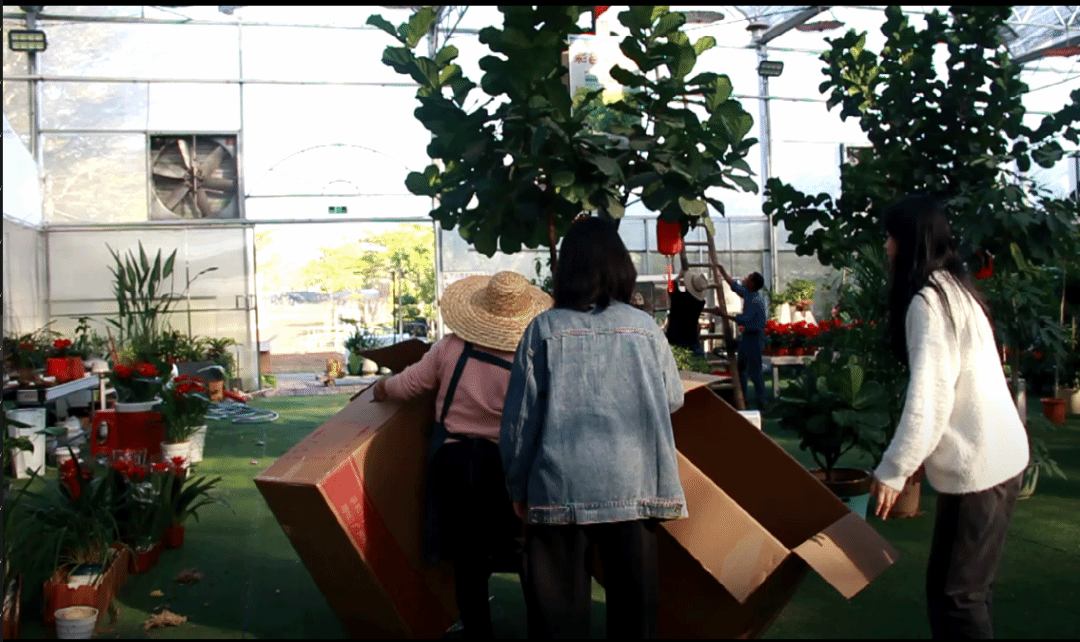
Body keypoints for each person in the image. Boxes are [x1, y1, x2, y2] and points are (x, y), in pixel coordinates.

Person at [500, 216, 688, 639]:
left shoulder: (543, 330)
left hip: (558, 489)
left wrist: (517, 485)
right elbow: (672, 399)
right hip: (635, 485)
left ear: (566, 268)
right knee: (635, 618)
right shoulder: (645, 330)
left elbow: (520, 422)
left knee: (558, 623)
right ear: (621, 265)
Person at [870, 194, 1029, 639]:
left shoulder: (929, 302)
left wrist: (894, 469)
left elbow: (931, 396)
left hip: (982, 468)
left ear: (910, 241)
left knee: (956, 598)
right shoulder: (955, 291)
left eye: (890, 237)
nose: (886, 246)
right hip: (998, 460)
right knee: (968, 592)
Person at [372, 270, 551, 639]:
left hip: (455, 461)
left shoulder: (450, 348)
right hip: (508, 464)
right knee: (523, 549)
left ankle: (477, 630)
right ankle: (542, 628)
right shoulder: (531, 356)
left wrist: (381, 387)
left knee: (468, 559)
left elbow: (408, 385)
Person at [716, 267, 768, 410]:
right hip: (748, 335)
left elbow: (744, 319)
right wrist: (722, 270)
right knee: (742, 368)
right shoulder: (750, 293)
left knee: (755, 370)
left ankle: (762, 402)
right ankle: (743, 397)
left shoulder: (755, 299)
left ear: (752, 283)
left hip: (755, 336)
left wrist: (723, 314)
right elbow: (734, 286)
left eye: (748, 277)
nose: (745, 278)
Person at [664, 268, 708, 356]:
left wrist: (679, 276)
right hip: (692, 339)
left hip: (675, 338)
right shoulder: (700, 303)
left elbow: (670, 286)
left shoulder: (679, 297)